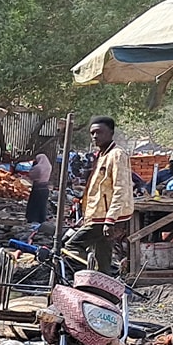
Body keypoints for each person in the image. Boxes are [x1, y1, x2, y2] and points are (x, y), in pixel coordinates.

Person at [65, 115, 132, 273]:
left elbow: (121, 188)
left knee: (72, 246)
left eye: (99, 132)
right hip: (97, 215)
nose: (95, 136)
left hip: (104, 217)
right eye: (92, 133)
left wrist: (111, 219)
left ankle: (88, 273)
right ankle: (102, 285)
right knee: (103, 257)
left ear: (111, 133)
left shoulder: (117, 155)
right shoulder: (102, 155)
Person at [25, 150, 53, 236]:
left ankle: (33, 219)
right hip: (45, 188)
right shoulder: (48, 166)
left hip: (37, 188)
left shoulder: (38, 167)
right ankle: (41, 219)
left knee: (34, 205)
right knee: (42, 205)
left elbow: (31, 175)